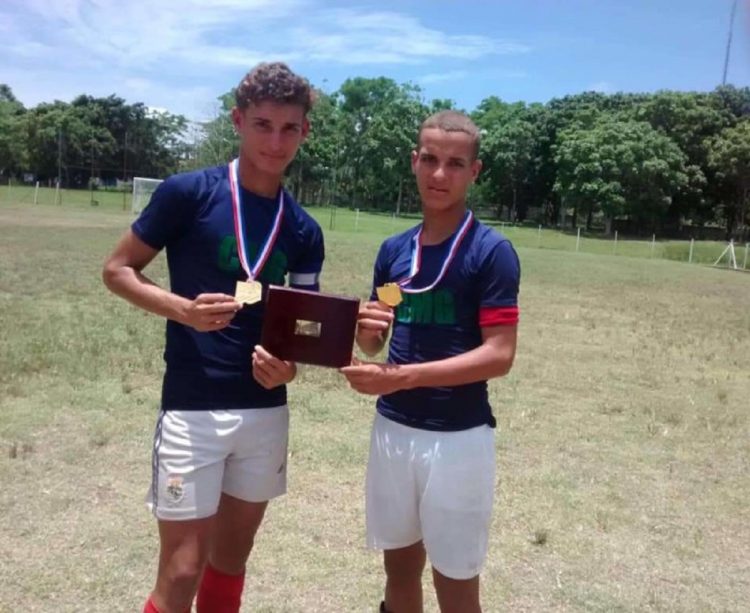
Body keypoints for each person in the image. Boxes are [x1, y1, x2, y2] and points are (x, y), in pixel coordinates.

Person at [102, 62, 324, 613]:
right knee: (181, 573)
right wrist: (182, 310)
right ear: (237, 120)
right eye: (262, 124)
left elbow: (304, 326)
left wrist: (292, 366)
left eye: (289, 128)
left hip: (265, 411)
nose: (275, 141)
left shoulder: (302, 229)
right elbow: (117, 270)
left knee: (230, 565)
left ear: (305, 132)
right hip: (193, 407)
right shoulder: (189, 193)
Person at [341, 110, 520, 613]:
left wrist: (403, 378)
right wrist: (367, 332)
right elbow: (378, 341)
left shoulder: (492, 252)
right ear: (414, 161)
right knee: (398, 573)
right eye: (430, 159)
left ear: (475, 171)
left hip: (458, 438)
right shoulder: (394, 250)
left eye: (455, 164)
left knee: (456, 586)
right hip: (394, 430)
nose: (440, 174)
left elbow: (499, 355)